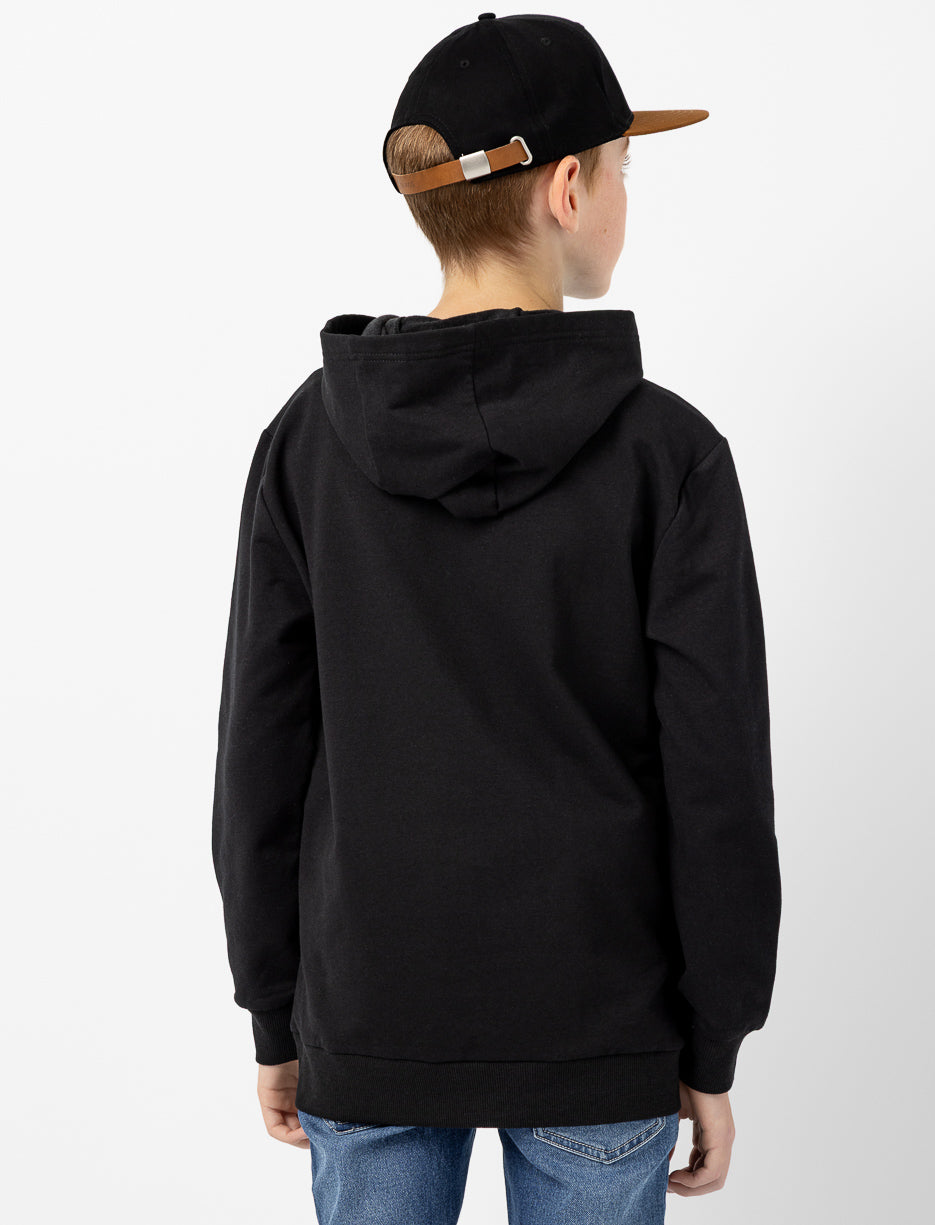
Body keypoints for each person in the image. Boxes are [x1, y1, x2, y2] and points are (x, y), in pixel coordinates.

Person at [211, 13, 781, 1223]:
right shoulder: (668, 453)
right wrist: (711, 1038)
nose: (623, 195)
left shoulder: (308, 440)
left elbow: (259, 747)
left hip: (368, 1009)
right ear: (568, 188)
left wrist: (275, 1008)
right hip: (602, 1019)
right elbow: (716, 775)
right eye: (622, 168)